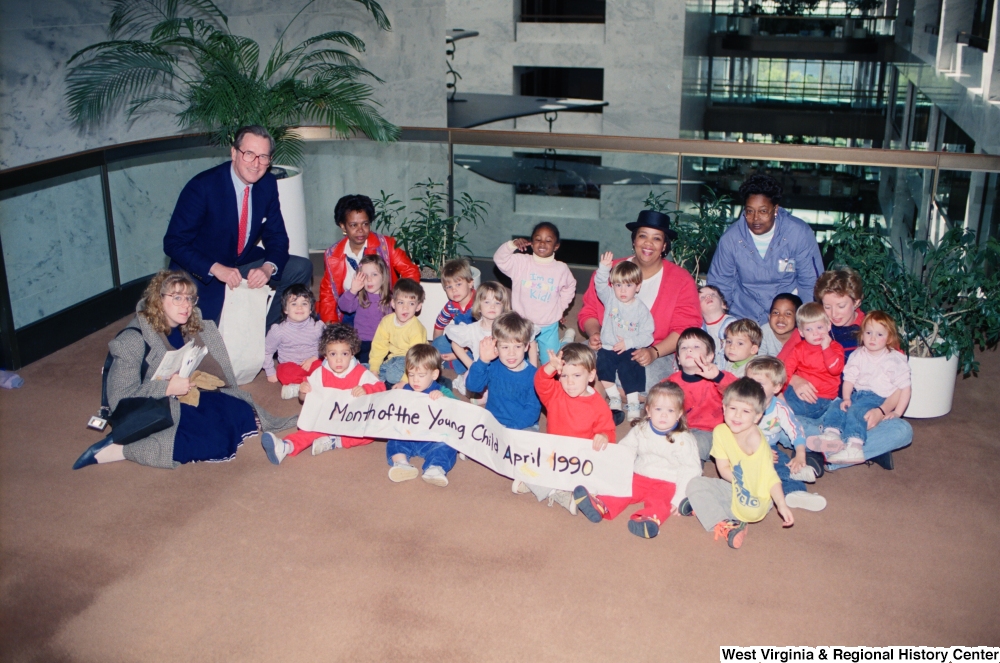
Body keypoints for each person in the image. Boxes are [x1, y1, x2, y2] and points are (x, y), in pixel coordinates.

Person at [73, 271, 296, 470]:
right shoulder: (132, 340)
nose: (186, 305)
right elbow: (119, 398)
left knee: (241, 411)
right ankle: (120, 449)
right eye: (177, 298)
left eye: (189, 298)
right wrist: (166, 387)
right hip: (154, 404)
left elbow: (214, 368)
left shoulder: (192, 324)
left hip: (186, 393)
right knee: (209, 441)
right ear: (158, 301)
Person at [163, 125, 313, 328]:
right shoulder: (202, 187)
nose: (256, 163)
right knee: (207, 342)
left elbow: (277, 235)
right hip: (202, 269)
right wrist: (215, 269)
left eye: (263, 157)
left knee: (300, 268)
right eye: (249, 154)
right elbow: (174, 243)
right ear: (234, 153)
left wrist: (268, 268)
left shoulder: (267, 183)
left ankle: (263, 334)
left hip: (241, 262)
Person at [579, 210, 702, 391]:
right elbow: (589, 311)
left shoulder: (681, 280)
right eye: (643, 236)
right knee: (571, 359)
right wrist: (595, 334)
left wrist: (655, 352)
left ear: (664, 246)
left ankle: (603, 391)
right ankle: (618, 393)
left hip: (652, 352)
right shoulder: (609, 270)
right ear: (634, 241)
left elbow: (685, 329)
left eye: (657, 238)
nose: (648, 243)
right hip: (607, 346)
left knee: (649, 380)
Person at [572, 383, 702, 540]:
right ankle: (601, 505)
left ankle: (648, 519)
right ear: (648, 410)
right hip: (641, 474)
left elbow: (691, 469)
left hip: (669, 481)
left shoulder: (684, 440)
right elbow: (626, 449)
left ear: (679, 414)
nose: (663, 415)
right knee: (623, 489)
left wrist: (680, 496)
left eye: (670, 410)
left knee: (661, 502)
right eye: (658, 409)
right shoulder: (641, 429)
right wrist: (610, 471)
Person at [680, 378, 795, 549]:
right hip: (736, 485)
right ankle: (715, 512)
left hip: (757, 499)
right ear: (724, 408)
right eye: (733, 408)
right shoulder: (720, 432)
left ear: (757, 416)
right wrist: (738, 483)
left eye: (746, 411)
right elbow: (723, 468)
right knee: (695, 484)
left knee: (746, 509)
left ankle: (725, 522)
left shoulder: (756, 442)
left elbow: (771, 477)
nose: (737, 416)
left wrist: (781, 504)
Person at [707, 173, 824, 325]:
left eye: (763, 211)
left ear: (775, 209)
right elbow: (720, 284)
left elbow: (810, 283)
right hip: (743, 318)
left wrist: (809, 324)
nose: (755, 219)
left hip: (786, 320)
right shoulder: (731, 239)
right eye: (750, 211)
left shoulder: (798, 233)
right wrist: (720, 324)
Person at [260, 324, 385, 464]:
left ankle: (335, 441)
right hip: (327, 420)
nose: (339, 360)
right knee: (309, 430)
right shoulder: (320, 373)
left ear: (352, 353)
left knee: (370, 433)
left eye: (344, 353)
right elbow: (305, 399)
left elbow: (381, 387)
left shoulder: (360, 372)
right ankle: (285, 446)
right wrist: (303, 392)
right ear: (325, 355)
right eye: (333, 354)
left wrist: (367, 389)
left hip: (352, 421)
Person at [527, 344, 617, 514]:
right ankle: (559, 493)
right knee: (527, 463)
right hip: (554, 456)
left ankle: (556, 490)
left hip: (580, 461)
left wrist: (604, 436)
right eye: (564, 376)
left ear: (591, 375)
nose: (570, 382)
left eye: (576, 375)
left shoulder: (598, 405)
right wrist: (551, 367)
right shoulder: (555, 393)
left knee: (596, 482)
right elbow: (540, 381)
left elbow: (609, 432)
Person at [816, 311, 912, 466]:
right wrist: (846, 398)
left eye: (879, 334)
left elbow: (905, 388)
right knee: (837, 406)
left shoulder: (894, 359)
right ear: (862, 334)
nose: (873, 338)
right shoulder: (858, 354)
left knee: (857, 412)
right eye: (868, 332)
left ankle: (854, 446)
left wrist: (897, 412)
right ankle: (831, 435)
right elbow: (849, 379)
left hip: (878, 398)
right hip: (857, 395)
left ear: (889, 337)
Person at [317, 194, 420, 324]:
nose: (360, 230)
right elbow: (328, 293)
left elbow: (410, 271)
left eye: (365, 224)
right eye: (354, 225)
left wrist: (400, 301)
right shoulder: (332, 254)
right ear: (343, 226)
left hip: (383, 308)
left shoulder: (386, 245)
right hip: (350, 309)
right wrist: (330, 323)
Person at [745, 357, 827, 511]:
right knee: (755, 469)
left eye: (759, 383)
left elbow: (795, 429)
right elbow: (734, 432)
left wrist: (800, 454)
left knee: (781, 464)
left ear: (776, 388)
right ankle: (759, 491)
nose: (751, 387)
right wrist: (758, 450)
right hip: (742, 447)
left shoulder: (780, 408)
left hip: (770, 447)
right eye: (748, 381)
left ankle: (795, 492)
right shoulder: (742, 403)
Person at [593, 252, 655, 422]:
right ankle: (614, 397)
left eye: (628, 285)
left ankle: (633, 404)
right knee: (603, 370)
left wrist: (629, 343)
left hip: (629, 349)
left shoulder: (641, 309)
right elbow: (599, 284)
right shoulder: (610, 298)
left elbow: (648, 335)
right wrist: (604, 268)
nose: (622, 290)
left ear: (638, 287)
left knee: (631, 373)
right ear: (612, 285)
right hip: (608, 347)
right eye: (618, 285)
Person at [385, 345, 458, 487]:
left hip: (432, 439)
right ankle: (401, 463)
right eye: (411, 375)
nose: (415, 380)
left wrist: (443, 399)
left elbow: (457, 408)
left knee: (448, 444)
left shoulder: (441, 390)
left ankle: (435, 468)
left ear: (434, 374)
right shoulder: (405, 389)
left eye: (421, 375)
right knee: (393, 438)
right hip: (409, 435)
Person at [666, 328, 738, 463]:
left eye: (696, 346)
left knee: (694, 447)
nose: (689, 350)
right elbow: (656, 401)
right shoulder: (671, 382)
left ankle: (689, 472)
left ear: (710, 356)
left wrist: (718, 377)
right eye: (684, 347)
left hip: (708, 432)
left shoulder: (717, 378)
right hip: (677, 428)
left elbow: (741, 394)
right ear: (679, 360)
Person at [464, 312, 541, 432]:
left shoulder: (534, 376)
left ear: (526, 347)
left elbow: (532, 410)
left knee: (525, 445)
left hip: (523, 425)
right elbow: (473, 386)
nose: (511, 353)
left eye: (517, 347)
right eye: (505, 347)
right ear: (496, 347)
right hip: (494, 421)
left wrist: (510, 430)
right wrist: (482, 361)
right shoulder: (492, 365)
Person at [780, 269, 865, 364]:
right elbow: (779, 363)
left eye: (841, 306)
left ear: (856, 302)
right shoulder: (811, 325)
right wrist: (793, 378)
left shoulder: (869, 328)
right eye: (827, 307)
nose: (834, 314)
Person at [444, 282, 511, 396]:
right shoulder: (473, 329)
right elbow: (455, 344)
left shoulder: (508, 328)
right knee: (473, 388)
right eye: (487, 302)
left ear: (503, 307)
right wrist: (471, 365)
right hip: (480, 371)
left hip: (503, 373)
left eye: (497, 303)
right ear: (479, 306)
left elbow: (529, 340)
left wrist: (532, 369)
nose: (492, 306)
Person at [781, 303, 845, 419]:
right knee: (772, 400)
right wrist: (791, 381)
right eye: (809, 329)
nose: (815, 333)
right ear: (801, 332)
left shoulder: (835, 348)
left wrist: (826, 348)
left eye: (819, 327)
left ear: (828, 326)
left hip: (820, 397)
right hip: (796, 390)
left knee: (786, 412)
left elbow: (835, 370)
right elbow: (786, 369)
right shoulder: (799, 348)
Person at [262, 284, 324, 400]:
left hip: (312, 362)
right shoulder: (279, 331)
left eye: (304, 304)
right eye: (294, 304)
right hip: (291, 365)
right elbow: (267, 351)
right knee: (284, 372)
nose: (299, 308)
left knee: (325, 367)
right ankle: (305, 386)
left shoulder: (318, 327)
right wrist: (270, 372)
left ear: (310, 309)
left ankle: (304, 386)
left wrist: (314, 358)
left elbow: (327, 347)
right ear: (285, 309)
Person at [337, 254, 392, 365]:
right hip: (362, 342)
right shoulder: (359, 297)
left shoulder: (391, 300)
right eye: (365, 275)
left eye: (374, 274)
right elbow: (343, 306)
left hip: (384, 342)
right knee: (361, 366)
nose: (369, 279)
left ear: (383, 278)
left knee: (387, 364)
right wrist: (353, 290)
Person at [369, 279, 427, 386]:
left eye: (411, 303)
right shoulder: (386, 321)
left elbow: (416, 357)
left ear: (418, 307)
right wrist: (374, 369)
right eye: (400, 302)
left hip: (412, 360)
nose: (405, 308)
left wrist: (405, 381)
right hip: (392, 358)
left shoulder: (416, 329)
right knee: (366, 369)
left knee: (392, 375)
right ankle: (381, 378)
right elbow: (379, 346)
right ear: (393, 303)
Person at [431, 259, 477, 374]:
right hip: (459, 341)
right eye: (449, 287)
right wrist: (434, 349)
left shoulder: (479, 302)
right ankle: (455, 361)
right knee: (437, 343)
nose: (454, 290)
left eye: (458, 284)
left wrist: (458, 354)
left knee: (480, 356)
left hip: (478, 341)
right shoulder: (451, 306)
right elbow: (439, 325)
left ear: (470, 283)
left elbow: (484, 334)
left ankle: (454, 363)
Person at [700, 285, 737, 368]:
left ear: (723, 304)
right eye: (702, 297)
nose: (708, 296)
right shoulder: (701, 330)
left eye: (713, 294)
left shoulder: (732, 324)